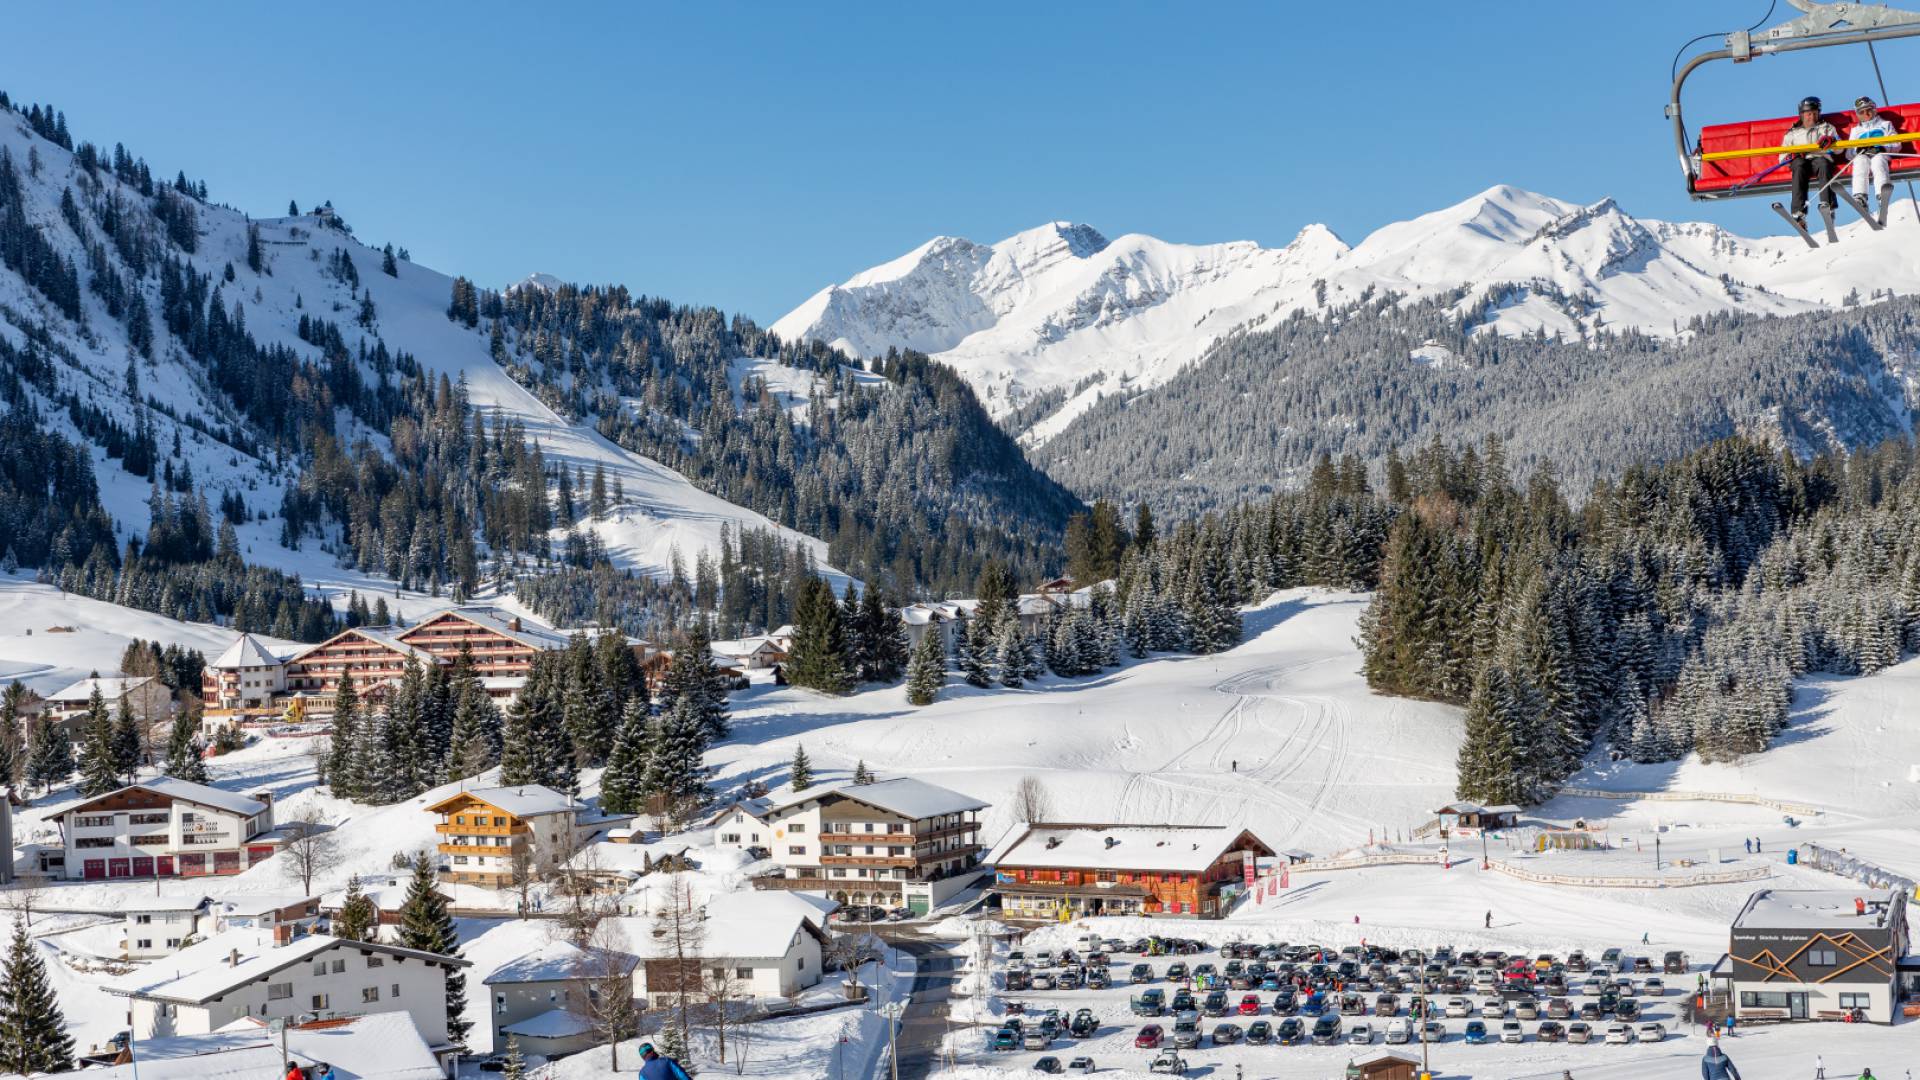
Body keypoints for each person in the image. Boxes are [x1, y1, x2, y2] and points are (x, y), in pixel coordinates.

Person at [1782, 96, 1842, 224]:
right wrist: (1790, 156)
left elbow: (1840, 149)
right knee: (1798, 166)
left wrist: (1832, 142)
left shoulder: (1827, 128)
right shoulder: (1792, 132)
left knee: (1823, 163)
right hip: (1801, 161)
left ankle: (1827, 205)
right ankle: (1798, 212)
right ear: (1802, 115)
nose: (1812, 117)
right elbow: (1782, 155)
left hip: (1820, 158)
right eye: (1809, 114)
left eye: (1815, 114)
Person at [1849, 96, 1903, 217]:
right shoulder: (1856, 130)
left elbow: (1897, 144)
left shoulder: (1885, 124)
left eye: (1869, 110)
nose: (1866, 114)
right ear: (1857, 114)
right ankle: (1860, 196)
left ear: (1874, 110)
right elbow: (1849, 153)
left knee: (1878, 162)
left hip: (1880, 154)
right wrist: (1858, 150)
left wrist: (1883, 147)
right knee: (1859, 162)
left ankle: (1881, 196)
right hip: (1864, 156)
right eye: (1861, 112)